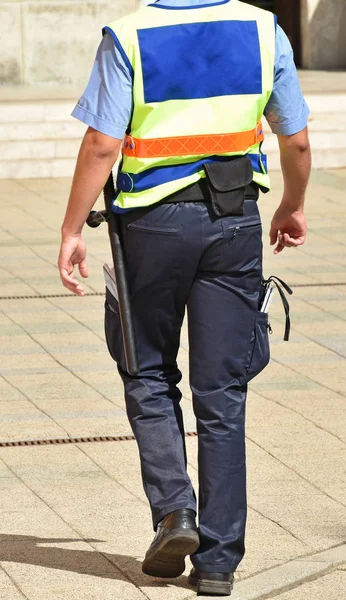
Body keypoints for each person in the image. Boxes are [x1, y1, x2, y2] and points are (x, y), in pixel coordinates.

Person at [58, 0, 311, 596]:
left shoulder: (128, 36)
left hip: (151, 227)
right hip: (234, 220)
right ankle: (219, 561)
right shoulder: (263, 28)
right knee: (222, 391)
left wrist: (71, 229)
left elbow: (101, 142)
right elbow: (294, 139)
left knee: (146, 369)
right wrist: (293, 203)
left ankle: (176, 513)